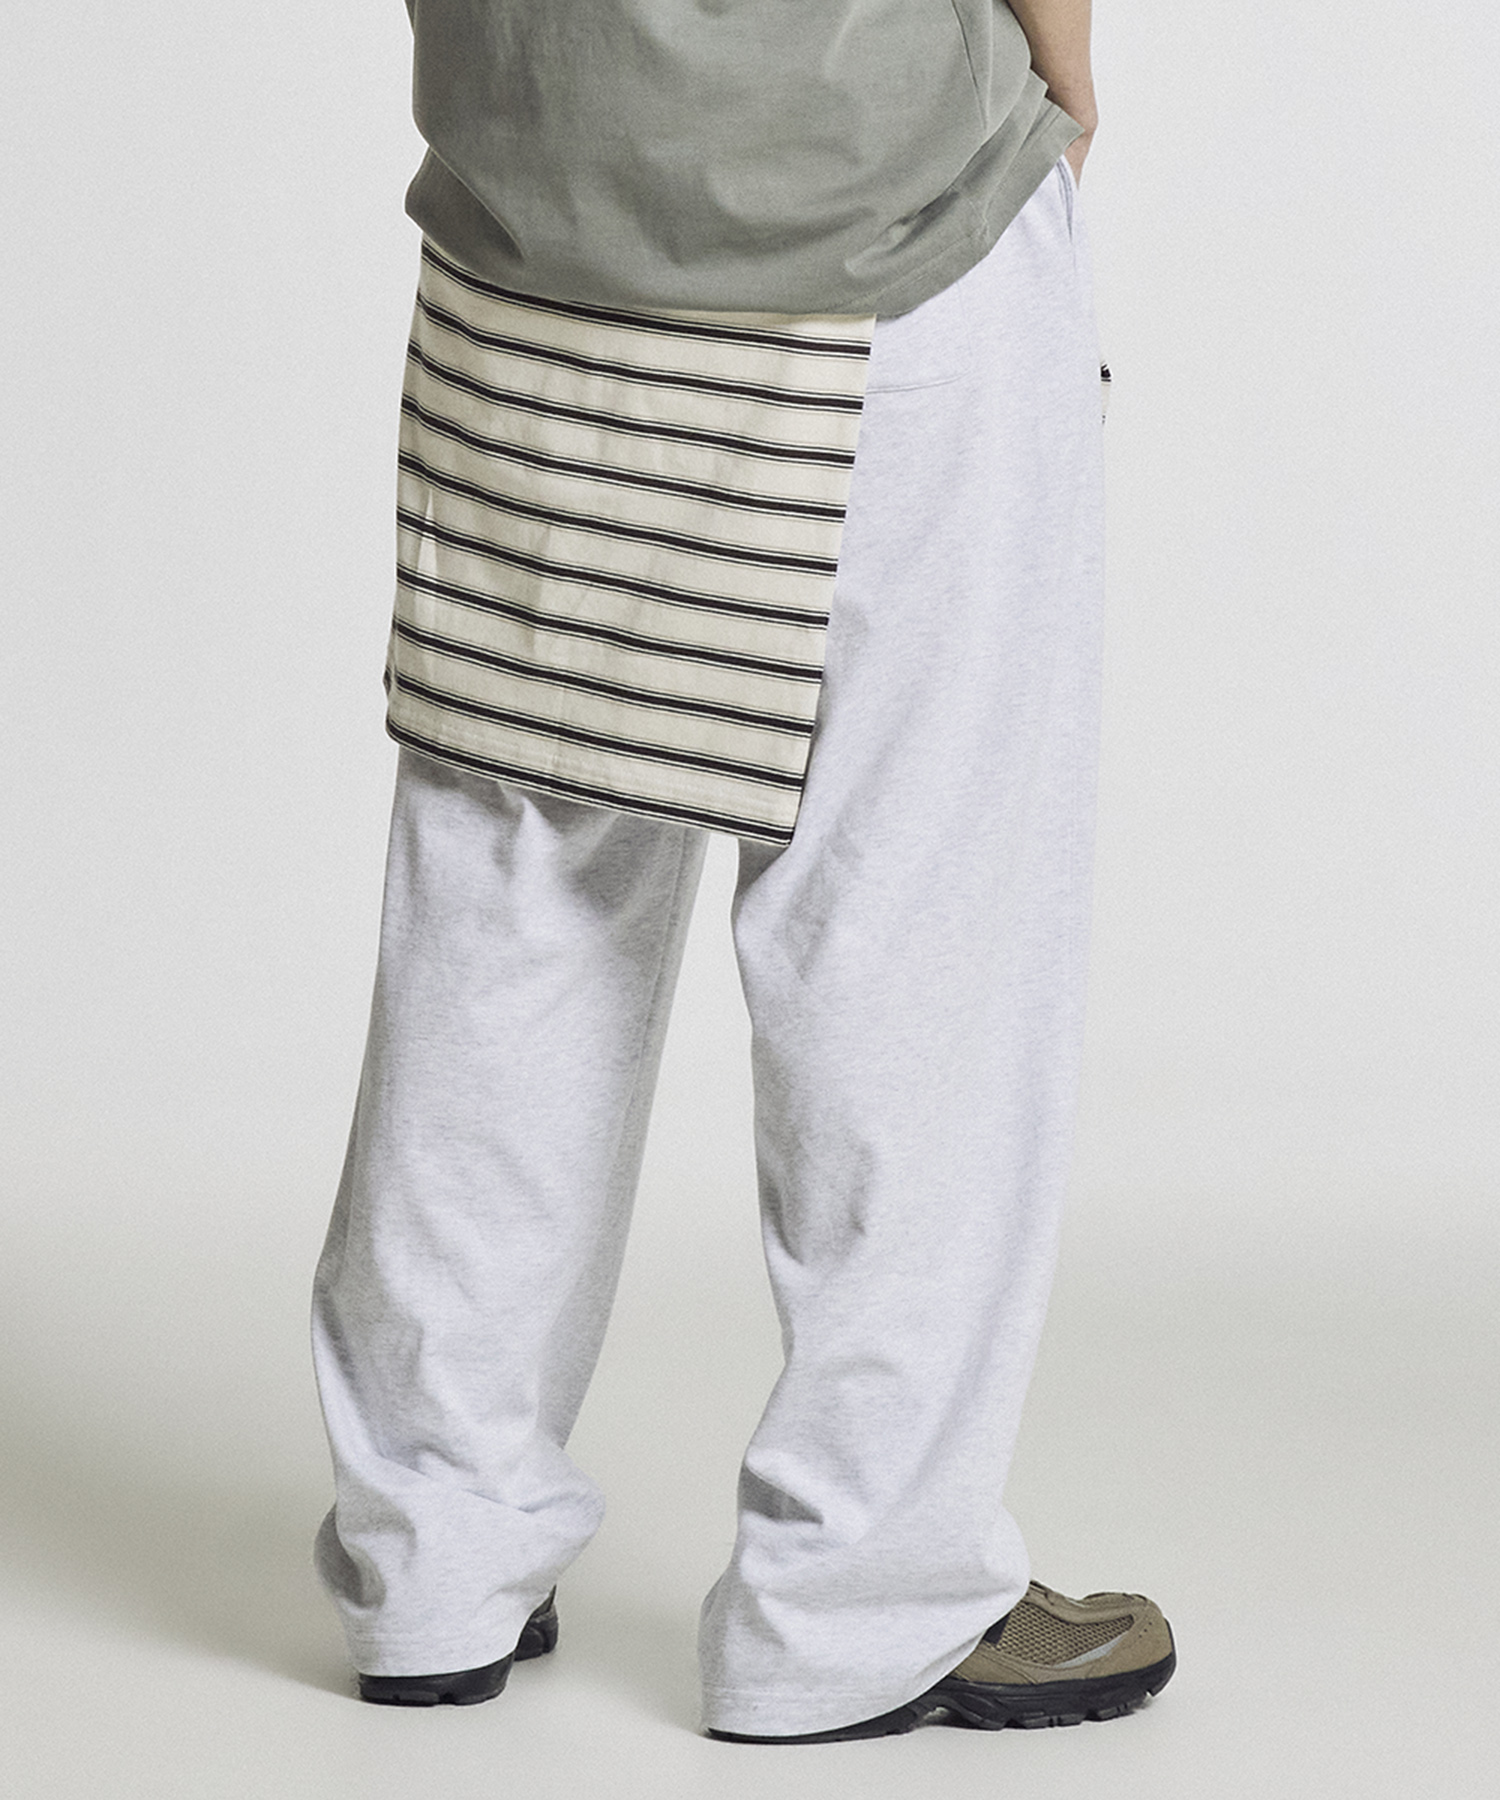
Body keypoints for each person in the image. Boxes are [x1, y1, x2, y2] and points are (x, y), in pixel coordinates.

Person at [310, 0, 1176, 1742]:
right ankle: (859, 1599)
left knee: (511, 900)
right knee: (908, 934)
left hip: (529, 207)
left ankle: (433, 1553)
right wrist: (1064, 58)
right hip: (880, 223)